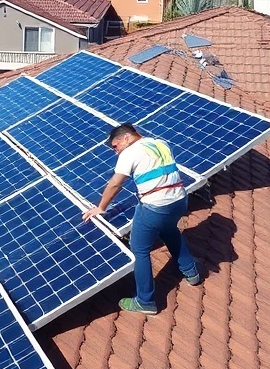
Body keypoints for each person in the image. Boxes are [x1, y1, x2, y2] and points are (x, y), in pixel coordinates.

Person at [82, 123, 201, 315]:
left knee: (139, 249)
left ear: (126, 138)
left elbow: (115, 184)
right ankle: (191, 272)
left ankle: (145, 301)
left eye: (115, 146)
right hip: (179, 200)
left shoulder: (129, 153)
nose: (116, 151)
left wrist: (100, 207)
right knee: (170, 231)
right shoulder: (159, 143)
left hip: (155, 206)